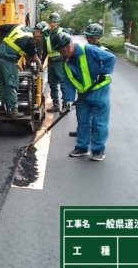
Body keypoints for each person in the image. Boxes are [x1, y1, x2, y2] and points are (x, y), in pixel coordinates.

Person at [56, 33, 116, 161]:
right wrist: (68, 101)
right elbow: (68, 81)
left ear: (69, 46)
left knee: (99, 123)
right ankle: (82, 148)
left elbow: (110, 58)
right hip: (83, 96)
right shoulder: (65, 62)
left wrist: (103, 73)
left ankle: (98, 150)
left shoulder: (89, 50)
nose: (62, 55)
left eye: (62, 51)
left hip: (99, 92)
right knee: (83, 122)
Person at [69, 23, 109, 137]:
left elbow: (108, 64)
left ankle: (94, 133)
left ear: (99, 37)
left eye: (92, 37)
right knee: (81, 112)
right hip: (84, 87)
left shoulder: (103, 50)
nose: (89, 39)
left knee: (96, 114)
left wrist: (102, 74)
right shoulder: (85, 50)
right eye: (88, 37)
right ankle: (82, 131)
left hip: (98, 88)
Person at [0, 24, 41, 119]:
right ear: (38, 32)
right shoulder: (30, 41)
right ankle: (13, 111)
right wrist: (39, 62)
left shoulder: (20, 27)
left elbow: (2, 27)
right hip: (8, 61)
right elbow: (33, 57)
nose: (40, 40)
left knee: (2, 84)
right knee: (12, 84)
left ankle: (6, 109)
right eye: (41, 37)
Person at [43, 12, 70, 112]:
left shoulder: (64, 31)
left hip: (60, 60)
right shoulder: (47, 33)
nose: (52, 24)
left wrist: (67, 59)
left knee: (63, 83)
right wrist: (42, 63)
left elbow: (69, 47)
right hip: (51, 61)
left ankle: (65, 105)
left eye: (54, 22)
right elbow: (45, 50)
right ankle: (56, 105)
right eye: (51, 22)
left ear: (58, 22)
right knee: (52, 84)